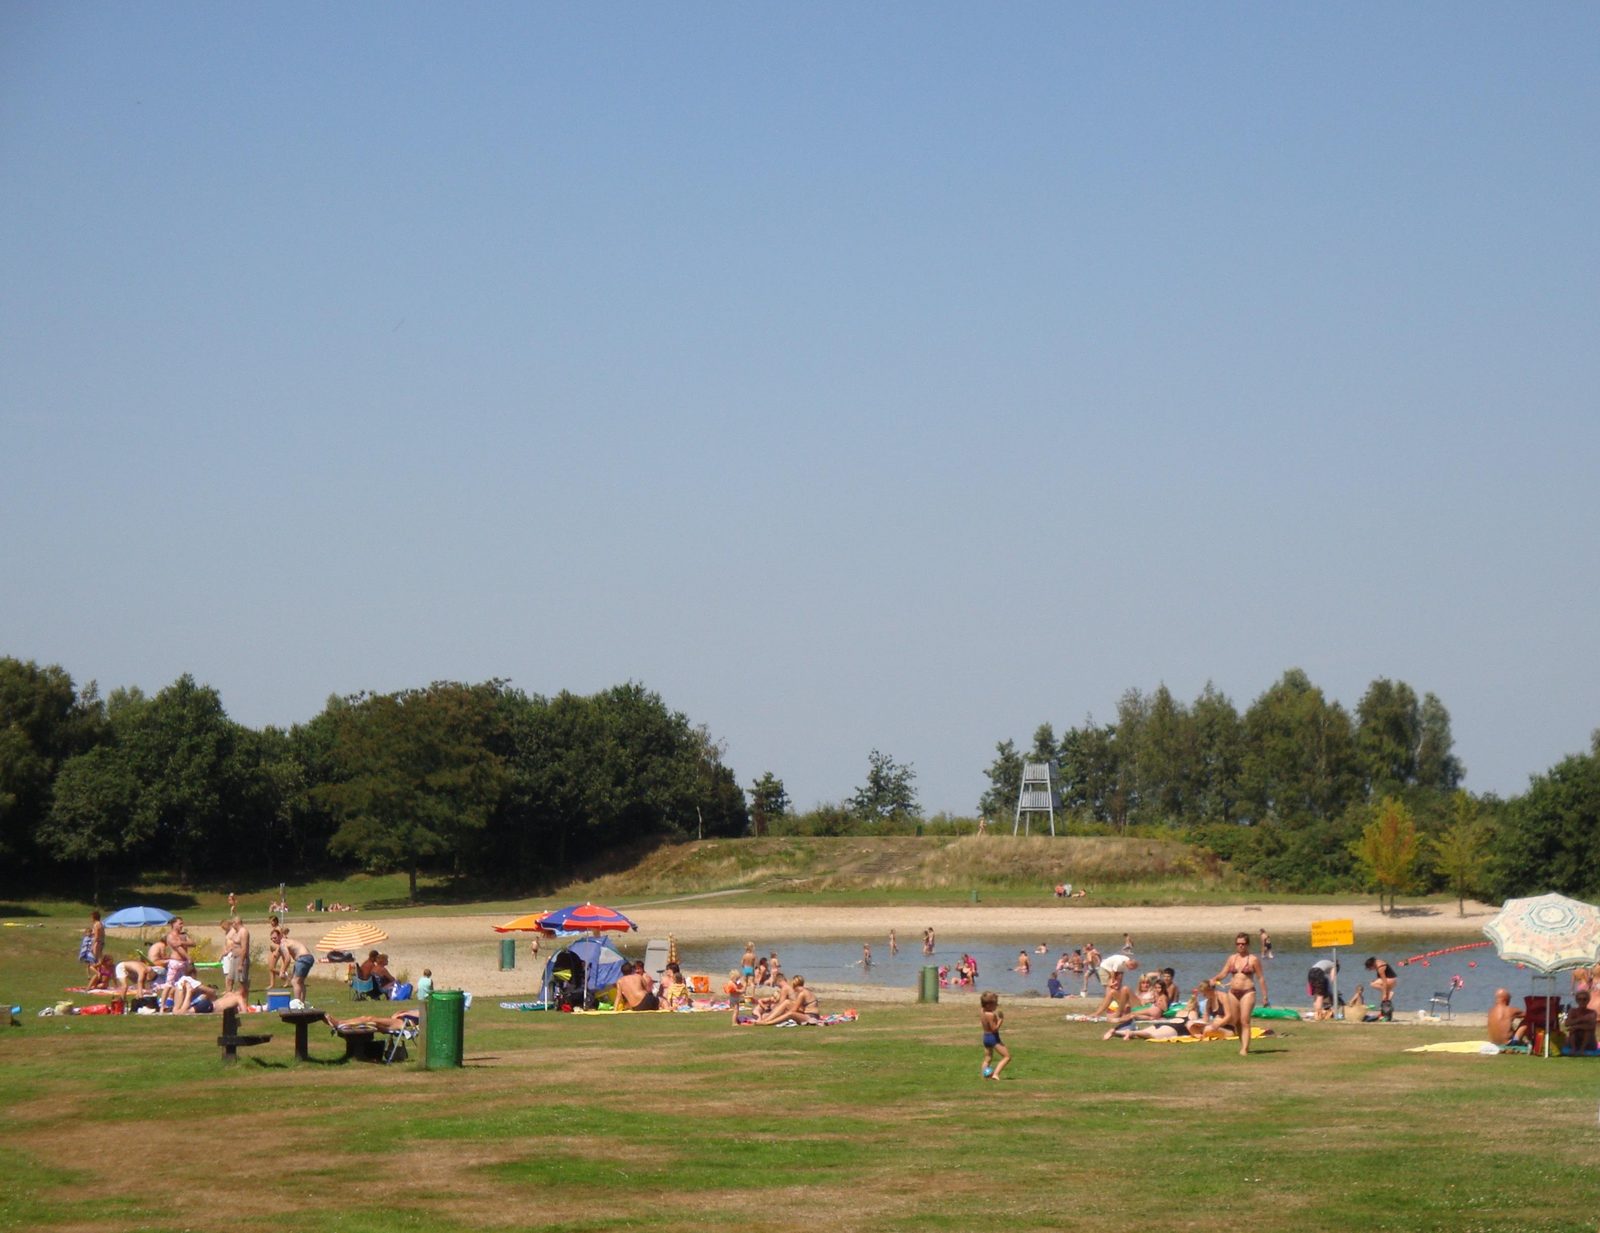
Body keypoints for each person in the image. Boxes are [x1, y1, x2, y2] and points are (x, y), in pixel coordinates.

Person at [1214, 932, 1267, 1056]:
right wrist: (1213, 979)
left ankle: (1244, 1049)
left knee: (1245, 1020)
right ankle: (1243, 1045)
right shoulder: (1232, 958)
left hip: (1248, 992)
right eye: (1238, 944)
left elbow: (1260, 978)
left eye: (1243, 944)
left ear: (1247, 944)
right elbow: (1223, 973)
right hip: (1233, 992)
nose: (1240, 946)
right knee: (1236, 1021)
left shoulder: (1253, 959)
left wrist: (1265, 996)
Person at [275, 929, 314, 1005]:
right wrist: (282, 970)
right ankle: (301, 1003)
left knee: (295, 981)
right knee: (300, 982)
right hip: (309, 957)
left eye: (275, 937)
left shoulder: (283, 943)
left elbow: (287, 959)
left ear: (280, 936)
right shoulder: (286, 942)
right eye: (272, 938)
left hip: (302, 958)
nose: (273, 940)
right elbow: (284, 959)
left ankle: (297, 1003)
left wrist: (282, 971)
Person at [979, 991, 1010, 1080]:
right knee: (1007, 1056)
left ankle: (984, 1076)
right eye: (995, 1004)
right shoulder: (991, 1015)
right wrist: (1000, 1020)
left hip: (985, 1037)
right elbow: (994, 1029)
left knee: (988, 1058)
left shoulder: (982, 1012)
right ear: (989, 1005)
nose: (997, 1006)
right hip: (993, 1038)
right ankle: (996, 1074)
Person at [231, 917, 251, 1004]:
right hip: (234, 958)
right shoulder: (236, 932)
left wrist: (241, 963)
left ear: (237, 923)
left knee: (242, 983)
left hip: (241, 959)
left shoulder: (243, 932)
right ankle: (235, 1002)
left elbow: (244, 948)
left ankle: (244, 1003)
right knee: (230, 979)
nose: (232, 925)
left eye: (233, 923)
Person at [79, 909, 105, 974]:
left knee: (96, 960)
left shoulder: (96, 925)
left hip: (97, 943)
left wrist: (92, 946)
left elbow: (96, 936)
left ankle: (98, 973)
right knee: (99, 958)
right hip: (101, 942)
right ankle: (100, 973)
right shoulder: (101, 924)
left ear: (94, 917)